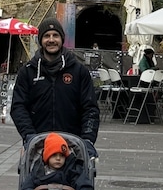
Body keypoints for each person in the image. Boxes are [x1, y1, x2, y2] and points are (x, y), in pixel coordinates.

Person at [10, 18, 100, 154]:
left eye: (55, 35)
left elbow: (90, 109)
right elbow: (18, 107)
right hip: (38, 146)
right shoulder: (27, 72)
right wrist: (29, 136)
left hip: (72, 146)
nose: (51, 40)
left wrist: (87, 140)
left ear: (62, 39)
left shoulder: (79, 71)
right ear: (40, 40)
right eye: (46, 36)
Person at [18, 132, 94, 190]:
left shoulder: (72, 169)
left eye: (62, 155)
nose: (58, 158)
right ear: (47, 157)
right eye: (54, 155)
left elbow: (83, 184)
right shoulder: (38, 170)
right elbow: (27, 186)